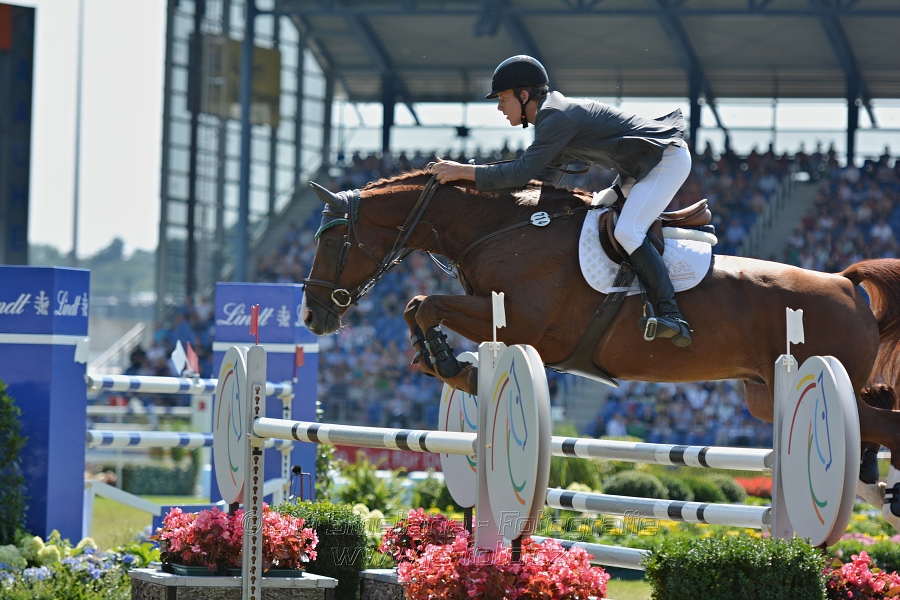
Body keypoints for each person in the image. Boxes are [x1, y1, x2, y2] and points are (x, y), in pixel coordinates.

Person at [430, 55, 693, 347]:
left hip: (664, 160)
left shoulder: (555, 117)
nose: (499, 107)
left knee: (627, 231)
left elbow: (520, 173)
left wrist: (462, 171)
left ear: (524, 95)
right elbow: (543, 182)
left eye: (503, 98)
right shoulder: (551, 117)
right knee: (597, 208)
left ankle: (672, 314)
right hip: (638, 169)